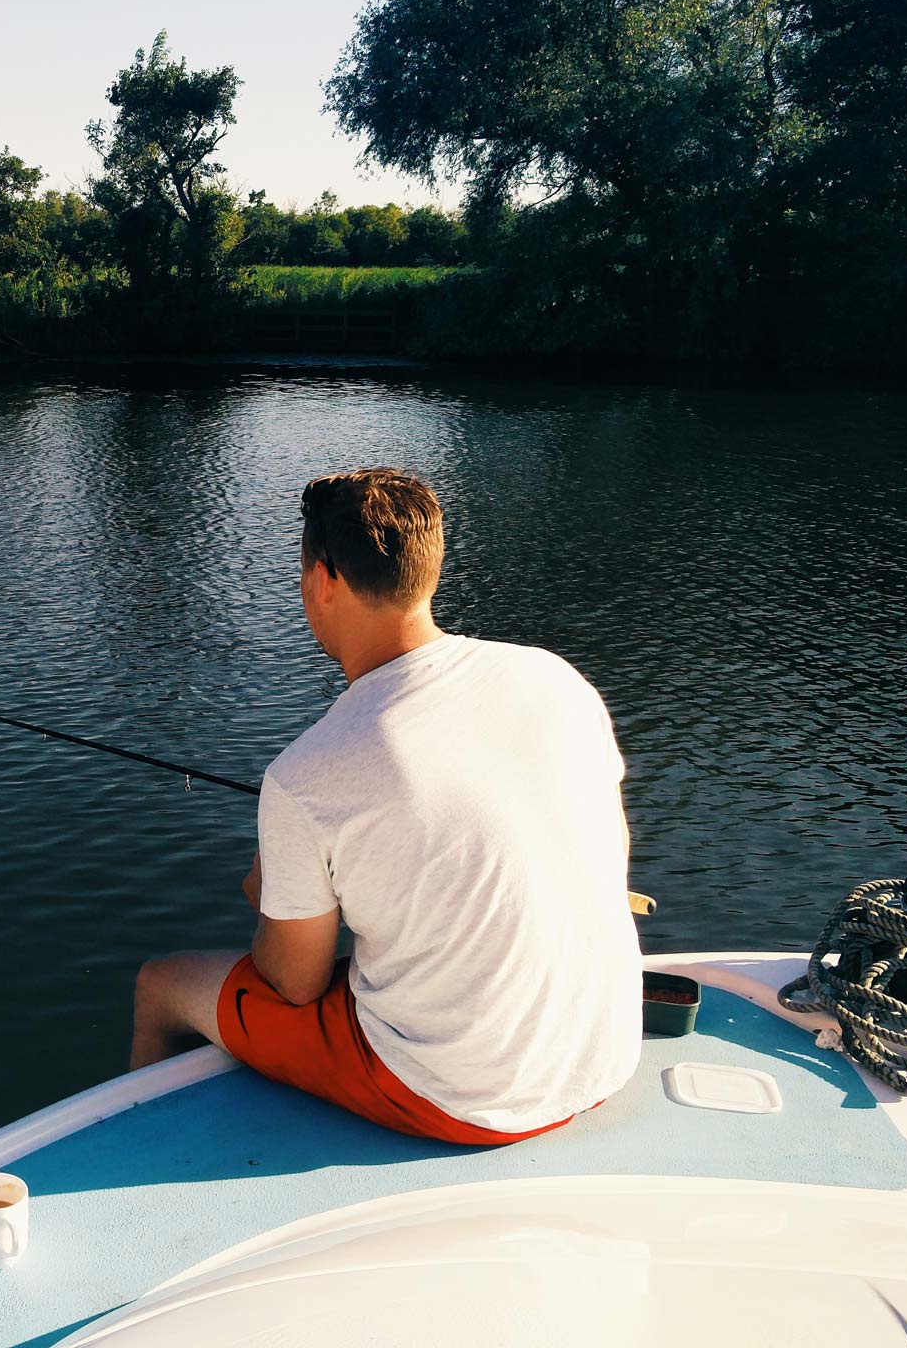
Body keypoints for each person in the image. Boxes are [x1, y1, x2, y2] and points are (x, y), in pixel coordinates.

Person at [129, 468, 641, 1145]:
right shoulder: (556, 679)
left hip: (462, 1097)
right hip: (604, 1055)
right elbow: (612, 857)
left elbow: (295, 983)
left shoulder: (308, 773)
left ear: (325, 580)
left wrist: (270, 895)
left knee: (162, 985)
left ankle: (139, 1176)